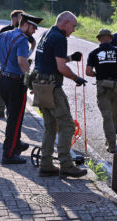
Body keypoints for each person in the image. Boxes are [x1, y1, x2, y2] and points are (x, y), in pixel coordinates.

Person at [33, 11, 87, 178]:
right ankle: (66, 164)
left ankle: (46, 164)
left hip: (40, 86)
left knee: (51, 126)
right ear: (65, 23)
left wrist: (70, 58)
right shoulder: (60, 38)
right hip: (53, 88)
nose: (73, 30)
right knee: (67, 125)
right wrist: (76, 77)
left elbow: (50, 60)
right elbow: (61, 68)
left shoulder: (47, 34)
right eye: (73, 26)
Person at [0, 13, 43, 164]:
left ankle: (16, 144)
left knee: (13, 116)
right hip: (16, 83)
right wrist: (30, 81)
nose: (34, 31)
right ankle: (9, 154)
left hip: (3, 81)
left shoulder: (4, 34)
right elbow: (22, 62)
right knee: (14, 120)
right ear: (26, 25)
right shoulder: (23, 39)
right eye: (33, 28)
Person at [86, 29, 117, 153]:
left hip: (103, 87)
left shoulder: (94, 53)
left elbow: (88, 72)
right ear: (110, 38)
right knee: (113, 114)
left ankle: (111, 145)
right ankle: (112, 138)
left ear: (99, 39)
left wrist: (98, 74)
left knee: (106, 116)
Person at [0, 10, 37, 119]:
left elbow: (33, 42)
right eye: (19, 17)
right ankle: (0, 109)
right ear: (14, 18)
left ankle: (11, 112)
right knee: (3, 91)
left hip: (17, 70)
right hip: (5, 65)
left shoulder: (25, 33)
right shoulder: (5, 30)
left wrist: (29, 53)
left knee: (15, 97)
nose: (21, 19)